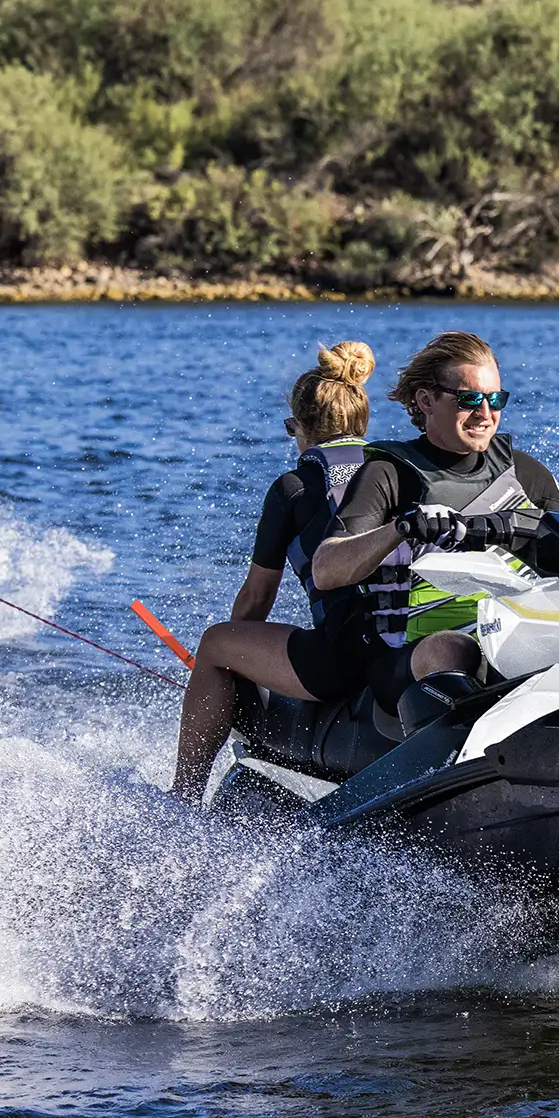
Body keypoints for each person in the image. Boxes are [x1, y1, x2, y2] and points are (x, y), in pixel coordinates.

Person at [306, 329, 559, 695]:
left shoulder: (523, 471)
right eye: (469, 399)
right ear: (426, 400)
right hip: (412, 652)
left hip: (512, 637)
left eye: (495, 399)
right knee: (452, 648)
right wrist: (401, 528)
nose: (485, 414)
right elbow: (325, 571)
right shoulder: (389, 473)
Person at [168, 341, 379, 800]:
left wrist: (231, 663)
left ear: (304, 428)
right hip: (399, 648)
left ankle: (182, 799)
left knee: (216, 643)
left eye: (292, 428)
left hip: (343, 663)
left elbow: (257, 597)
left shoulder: (294, 488)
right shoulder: (395, 472)